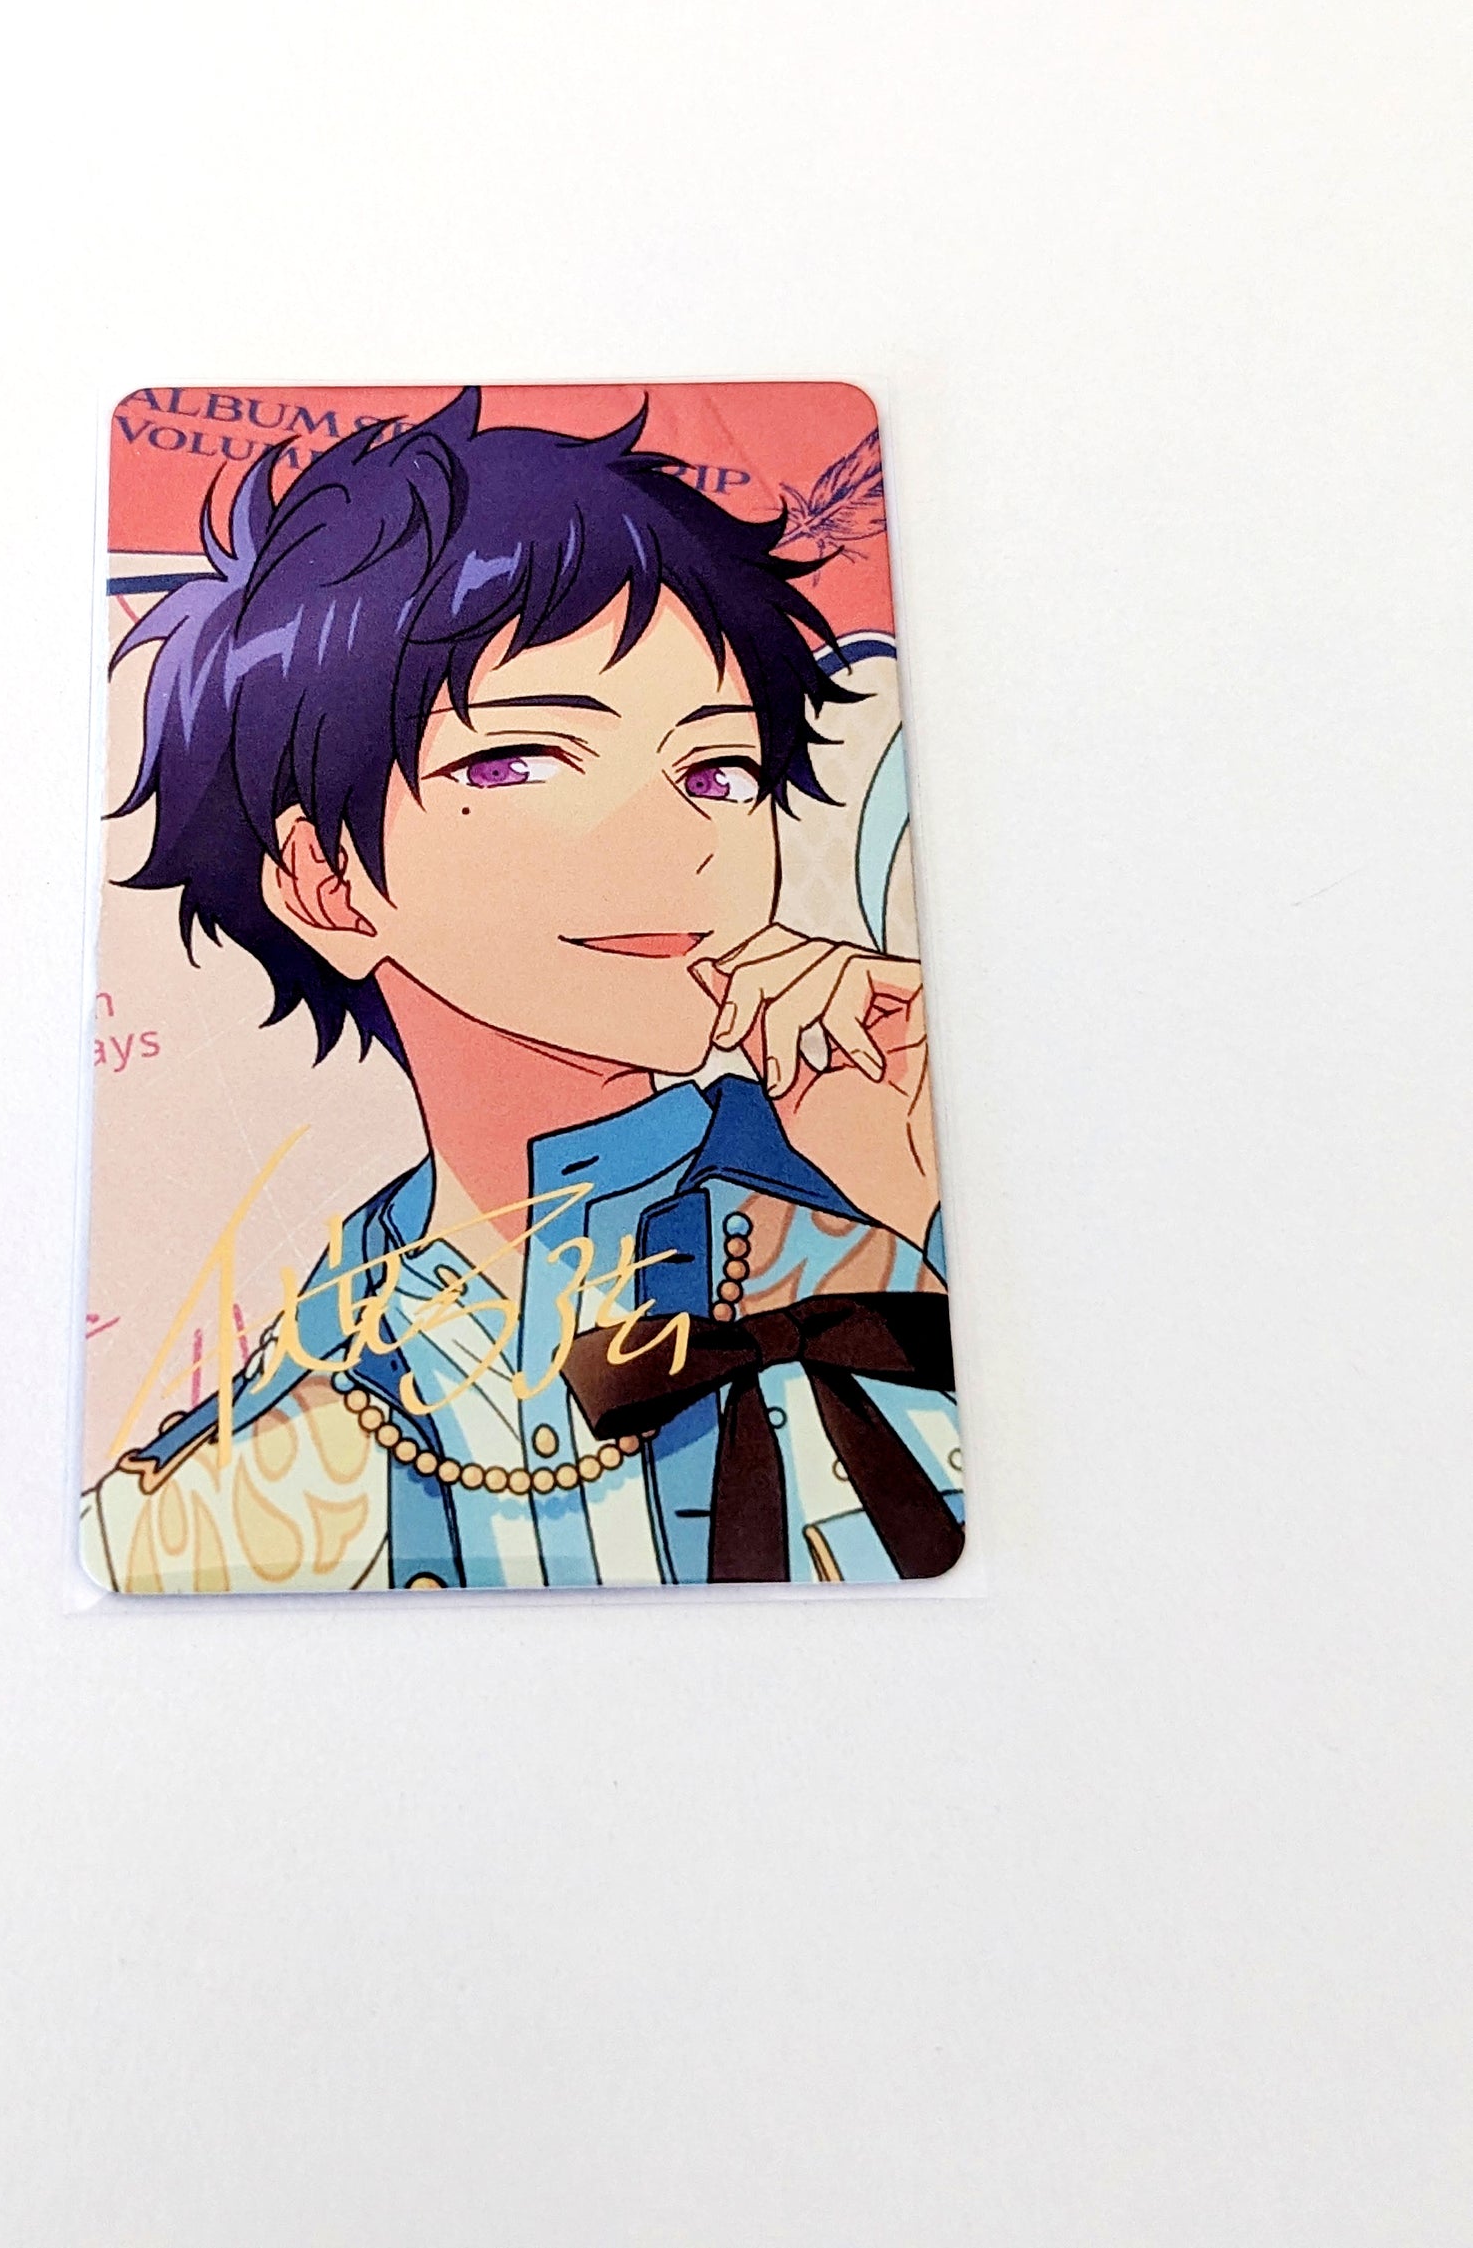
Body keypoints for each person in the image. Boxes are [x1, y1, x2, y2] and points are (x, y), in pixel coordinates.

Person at [81, 389, 961, 1594]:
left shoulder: (877, 1201)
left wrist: (923, 1206)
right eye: (519, 759)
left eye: (716, 768)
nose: (676, 841)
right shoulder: (222, 1477)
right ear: (327, 884)